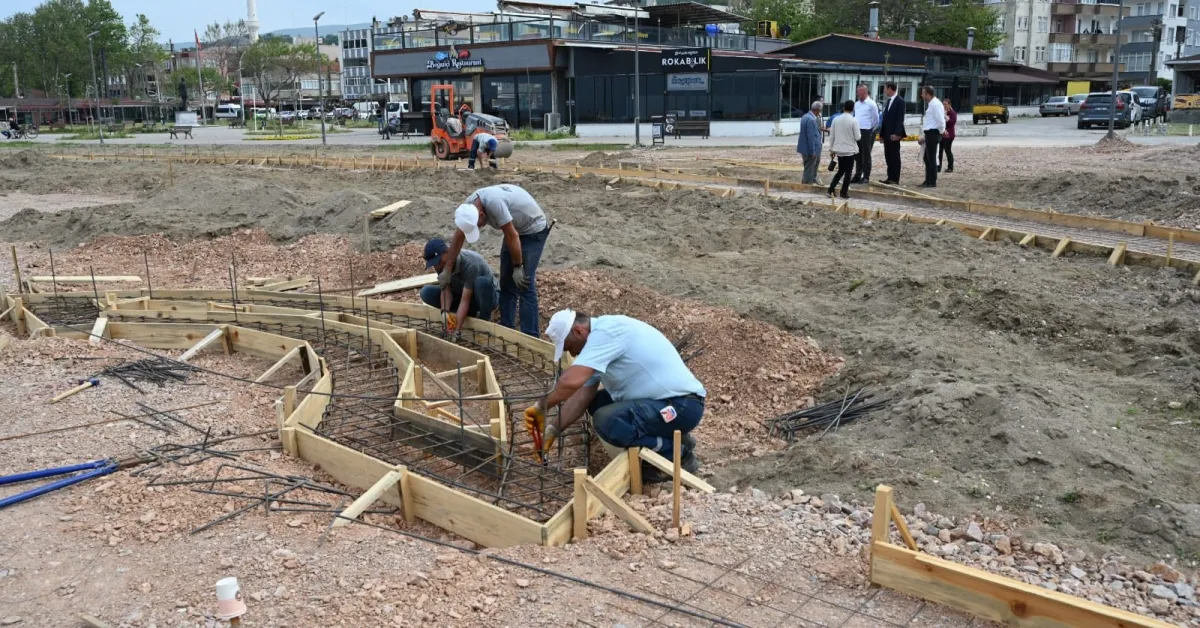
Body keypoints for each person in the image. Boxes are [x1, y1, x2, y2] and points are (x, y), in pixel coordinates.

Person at [523, 309, 706, 474]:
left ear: (578, 331)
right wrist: (553, 429)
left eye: (569, 347)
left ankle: (677, 455)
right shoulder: (599, 340)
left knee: (607, 421)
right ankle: (674, 439)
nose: (571, 354)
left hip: (681, 405)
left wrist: (541, 406)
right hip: (664, 403)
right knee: (597, 403)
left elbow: (570, 382)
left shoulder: (607, 333)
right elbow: (582, 396)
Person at [444, 184, 550, 337]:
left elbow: (512, 235)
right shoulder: (467, 209)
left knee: (524, 283)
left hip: (532, 229)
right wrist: (447, 269)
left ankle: (530, 336)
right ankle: (506, 330)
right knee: (506, 283)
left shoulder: (494, 204)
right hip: (514, 230)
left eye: (478, 226)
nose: (480, 228)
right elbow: (458, 237)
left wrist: (518, 267)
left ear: (481, 214)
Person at [419, 238, 498, 336]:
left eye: (438, 261)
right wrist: (445, 313)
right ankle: (465, 314)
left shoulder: (471, 263)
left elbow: (465, 299)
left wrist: (457, 330)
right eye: (434, 264)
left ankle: (483, 320)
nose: (437, 266)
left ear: (447, 252)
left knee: (481, 283)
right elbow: (446, 290)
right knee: (426, 292)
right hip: (462, 294)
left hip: (486, 297)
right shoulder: (440, 265)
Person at [827, 100, 860, 199]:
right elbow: (858, 137)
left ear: (844, 107)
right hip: (849, 150)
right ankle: (843, 192)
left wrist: (831, 149)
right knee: (848, 172)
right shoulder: (853, 120)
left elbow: (832, 136)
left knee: (840, 171)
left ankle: (831, 189)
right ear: (853, 108)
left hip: (839, 149)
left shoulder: (836, 120)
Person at [850, 84, 879, 184]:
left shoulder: (871, 104)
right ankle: (858, 175)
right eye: (857, 91)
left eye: (859, 91)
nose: (857, 93)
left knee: (866, 155)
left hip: (867, 131)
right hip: (857, 131)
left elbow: (876, 119)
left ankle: (866, 176)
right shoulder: (856, 104)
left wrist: (870, 129)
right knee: (857, 154)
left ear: (865, 92)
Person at [918, 86, 946, 189]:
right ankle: (928, 179)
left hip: (933, 133)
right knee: (927, 158)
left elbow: (940, 120)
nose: (922, 95)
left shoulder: (935, 104)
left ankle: (932, 181)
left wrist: (942, 131)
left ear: (928, 94)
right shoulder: (931, 104)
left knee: (931, 158)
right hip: (929, 133)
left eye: (923, 93)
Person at [879, 82, 906, 185]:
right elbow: (885, 120)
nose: (884, 91)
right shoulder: (889, 101)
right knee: (888, 155)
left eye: (885, 88)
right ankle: (890, 177)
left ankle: (895, 178)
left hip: (894, 134)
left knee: (894, 155)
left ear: (890, 88)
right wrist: (881, 134)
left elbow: (900, 118)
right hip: (887, 134)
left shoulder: (900, 101)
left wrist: (897, 134)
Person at [796, 101, 823, 185]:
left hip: (804, 148)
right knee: (809, 169)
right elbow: (810, 137)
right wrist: (813, 151)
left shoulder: (805, 116)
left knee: (808, 167)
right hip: (809, 149)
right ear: (818, 110)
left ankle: (810, 181)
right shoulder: (811, 120)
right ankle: (806, 185)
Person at [938, 98, 956, 174]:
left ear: (949, 105)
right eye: (943, 104)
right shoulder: (941, 112)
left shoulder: (952, 113)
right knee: (940, 151)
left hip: (949, 134)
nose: (944, 105)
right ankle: (938, 167)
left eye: (945, 104)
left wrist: (946, 117)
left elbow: (952, 123)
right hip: (942, 133)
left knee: (947, 150)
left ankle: (950, 167)